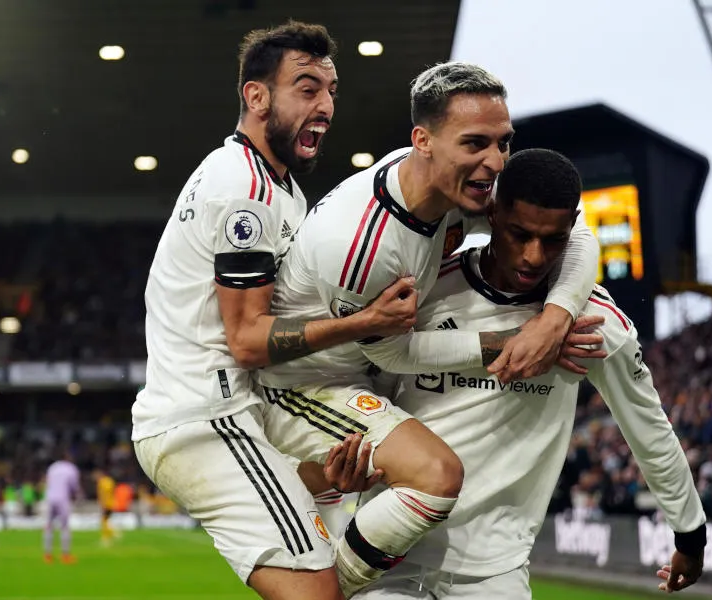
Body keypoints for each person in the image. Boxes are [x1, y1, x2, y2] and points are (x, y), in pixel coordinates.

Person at [255, 63, 601, 597]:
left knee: (403, 475)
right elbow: (393, 354)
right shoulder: (363, 247)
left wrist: (553, 319)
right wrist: (508, 343)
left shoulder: (444, 184)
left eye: (503, 143)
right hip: (306, 386)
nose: (496, 163)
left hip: (362, 378)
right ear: (423, 141)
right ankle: (326, 590)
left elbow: (576, 232)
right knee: (436, 476)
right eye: (475, 143)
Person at [132, 21, 420, 600]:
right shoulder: (246, 187)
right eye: (307, 88)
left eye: (331, 91)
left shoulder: (280, 189)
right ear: (256, 96)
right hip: (205, 418)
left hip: (239, 414)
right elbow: (246, 340)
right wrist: (366, 322)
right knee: (319, 591)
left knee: (335, 522)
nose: (326, 106)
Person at [348, 148, 706, 599]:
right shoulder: (426, 289)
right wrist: (349, 464)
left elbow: (649, 429)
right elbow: (370, 390)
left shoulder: (595, 325)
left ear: (574, 228)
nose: (534, 257)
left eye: (553, 240)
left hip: (494, 573)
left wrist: (690, 534)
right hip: (388, 551)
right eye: (519, 234)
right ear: (492, 214)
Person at [43, 452, 81, 564]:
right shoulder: (71, 468)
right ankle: (65, 555)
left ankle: (47, 555)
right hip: (62, 498)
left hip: (50, 497)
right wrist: (77, 496)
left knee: (49, 526)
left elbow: (48, 482)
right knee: (64, 527)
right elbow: (74, 485)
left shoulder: (52, 467)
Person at [95, 467, 116, 545]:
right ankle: (112, 534)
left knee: (104, 520)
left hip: (108, 504)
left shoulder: (104, 482)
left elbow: (105, 493)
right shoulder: (108, 481)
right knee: (105, 520)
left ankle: (107, 537)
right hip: (108, 503)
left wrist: (103, 503)